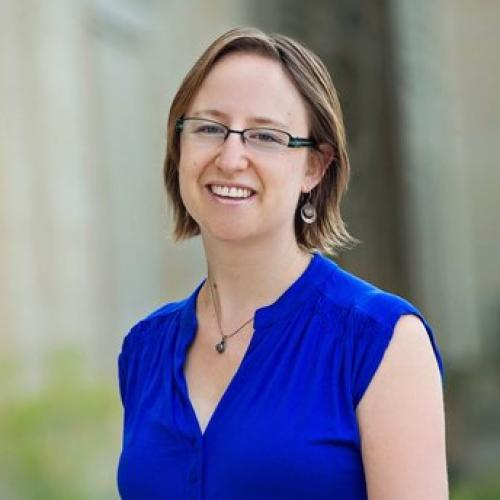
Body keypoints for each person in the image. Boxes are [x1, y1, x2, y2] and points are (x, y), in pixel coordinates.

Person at [117, 26, 448, 500]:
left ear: (315, 167)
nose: (231, 158)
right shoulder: (144, 350)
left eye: (265, 136)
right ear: (179, 147)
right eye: (209, 128)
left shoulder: (380, 341)